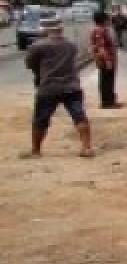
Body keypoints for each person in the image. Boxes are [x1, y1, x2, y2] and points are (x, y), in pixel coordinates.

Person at [24, 16, 94, 158]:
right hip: (72, 86)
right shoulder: (71, 45)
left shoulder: (37, 46)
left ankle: (36, 151)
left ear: (44, 30)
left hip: (48, 87)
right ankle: (86, 148)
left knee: (41, 119)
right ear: (60, 29)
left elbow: (30, 64)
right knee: (79, 116)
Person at [90, 11, 122, 108]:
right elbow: (101, 47)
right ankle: (107, 102)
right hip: (105, 59)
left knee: (108, 79)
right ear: (103, 20)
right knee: (106, 80)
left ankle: (110, 100)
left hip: (106, 58)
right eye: (107, 19)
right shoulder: (100, 30)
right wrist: (108, 60)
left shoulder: (100, 29)